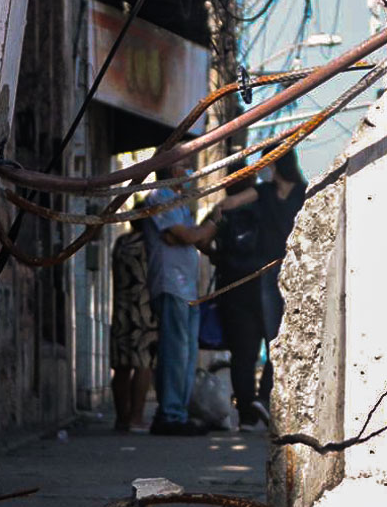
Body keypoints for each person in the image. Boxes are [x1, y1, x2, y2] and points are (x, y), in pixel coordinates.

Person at [205, 150, 306, 427]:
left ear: (275, 164)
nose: (260, 168)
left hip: (265, 278)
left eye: (265, 163)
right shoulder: (300, 194)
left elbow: (226, 205)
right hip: (276, 277)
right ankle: (258, 403)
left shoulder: (277, 193)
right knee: (272, 344)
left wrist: (215, 224)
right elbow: (227, 204)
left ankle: (253, 410)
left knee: (253, 349)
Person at [143, 161, 217, 436]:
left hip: (186, 289)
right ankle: (170, 414)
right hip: (171, 285)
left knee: (186, 354)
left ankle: (178, 412)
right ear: (173, 170)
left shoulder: (179, 203)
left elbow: (192, 239)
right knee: (175, 353)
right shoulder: (160, 197)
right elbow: (188, 236)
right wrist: (209, 225)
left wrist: (199, 233)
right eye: (185, 166)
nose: (189, 173)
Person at [109, 225, 156, 432]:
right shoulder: (150, 244)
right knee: (143, 363)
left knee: (121, 364)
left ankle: (121, 418)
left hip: (121, 307)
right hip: (144, 309)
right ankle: (136, 417)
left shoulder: (121, 243)